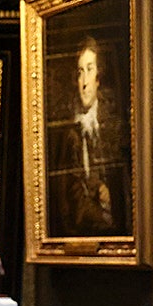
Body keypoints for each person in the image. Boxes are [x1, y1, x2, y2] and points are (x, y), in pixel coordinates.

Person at [50, 36, 130, 237]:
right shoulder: (69, 135)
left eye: (89, 69)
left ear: (99, 77)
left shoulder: (114, 126)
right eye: (80, 72)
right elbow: (68, 197)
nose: (84, 82)